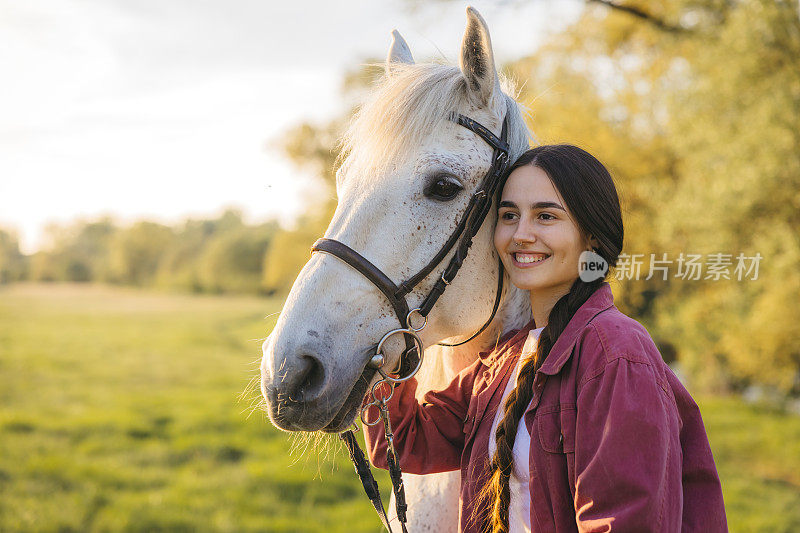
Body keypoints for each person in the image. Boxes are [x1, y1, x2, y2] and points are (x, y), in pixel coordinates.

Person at [363, 145, 728, 532]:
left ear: (592, 238)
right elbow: (402, 444)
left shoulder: (615, 353)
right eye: (509, 216)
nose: (521, 234)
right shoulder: (506, 360)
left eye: (545, 216)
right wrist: (386, 352)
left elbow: (622, 522)